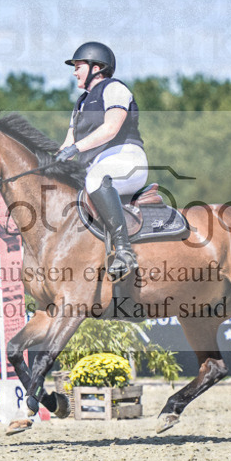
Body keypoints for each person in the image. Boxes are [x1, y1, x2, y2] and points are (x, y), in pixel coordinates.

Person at [55, 41, 147, 282]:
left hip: (126, 160)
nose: (74, 71)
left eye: (78, 66)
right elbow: (68, 143)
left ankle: (125, 251)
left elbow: (110, 128)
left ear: (97, 66)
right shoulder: (81, 102)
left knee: (96, 179)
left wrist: (75, 148)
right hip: (97, 166)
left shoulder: (115, 89)